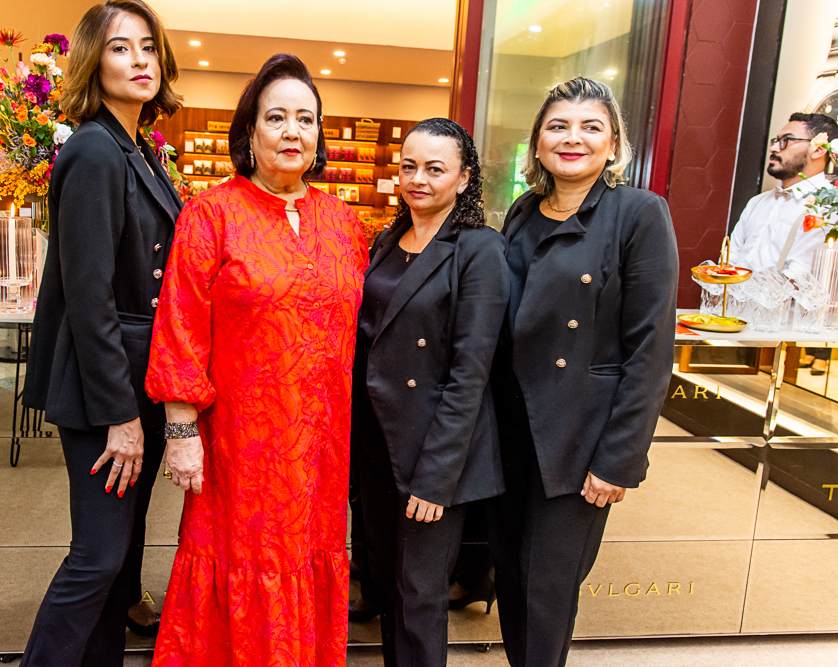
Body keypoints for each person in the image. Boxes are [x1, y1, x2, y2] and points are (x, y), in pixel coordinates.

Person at [145, 53, 369, 666]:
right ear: (250, 131)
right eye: (277, 117)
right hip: (240, 444)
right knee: (239, 557)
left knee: (309, 552)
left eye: (306, 118)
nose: (293, 131)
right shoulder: (211, 214)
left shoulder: (343, 222)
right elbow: (180, 327)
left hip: (321, 445)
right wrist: (181, 433)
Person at [486, 77, 678, 667]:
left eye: (591, 126)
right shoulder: (523, 211)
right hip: (509, 429)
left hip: (578, 436)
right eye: (558, 126)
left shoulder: (639, 213)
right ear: (537, 143)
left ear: (613, 144)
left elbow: (651, 351)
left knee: (547, 586)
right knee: (510, 572)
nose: (573, 138)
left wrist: (619, 459)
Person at [19, 1, 183, 664]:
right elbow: (89, 299)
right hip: (105, 387)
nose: (140, 60)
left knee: (123, 555)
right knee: (98, 556)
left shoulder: (134, 147)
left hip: (136, 376)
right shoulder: (93, 150)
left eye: (148, 47)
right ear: (94, 61)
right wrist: (121, 415)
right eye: (121, 48)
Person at [351, 117, 508, 667]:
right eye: (409, 166)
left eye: (435, 169)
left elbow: (471, 374)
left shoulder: (480, 249)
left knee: (419, 594)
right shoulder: (389, 239)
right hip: (377, 441)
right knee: (386, 583)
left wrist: (437, 479)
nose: (418, 179)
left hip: (433, 452)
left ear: (464, 179)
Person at [730, 112, 837, 374]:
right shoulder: (757, 202)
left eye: (786, 140)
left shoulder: (827, 208)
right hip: (735, 326)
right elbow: (731, 260)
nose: (775, 148)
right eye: (776, 140)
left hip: (784, 336)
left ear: (818, 149)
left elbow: (800, 275)